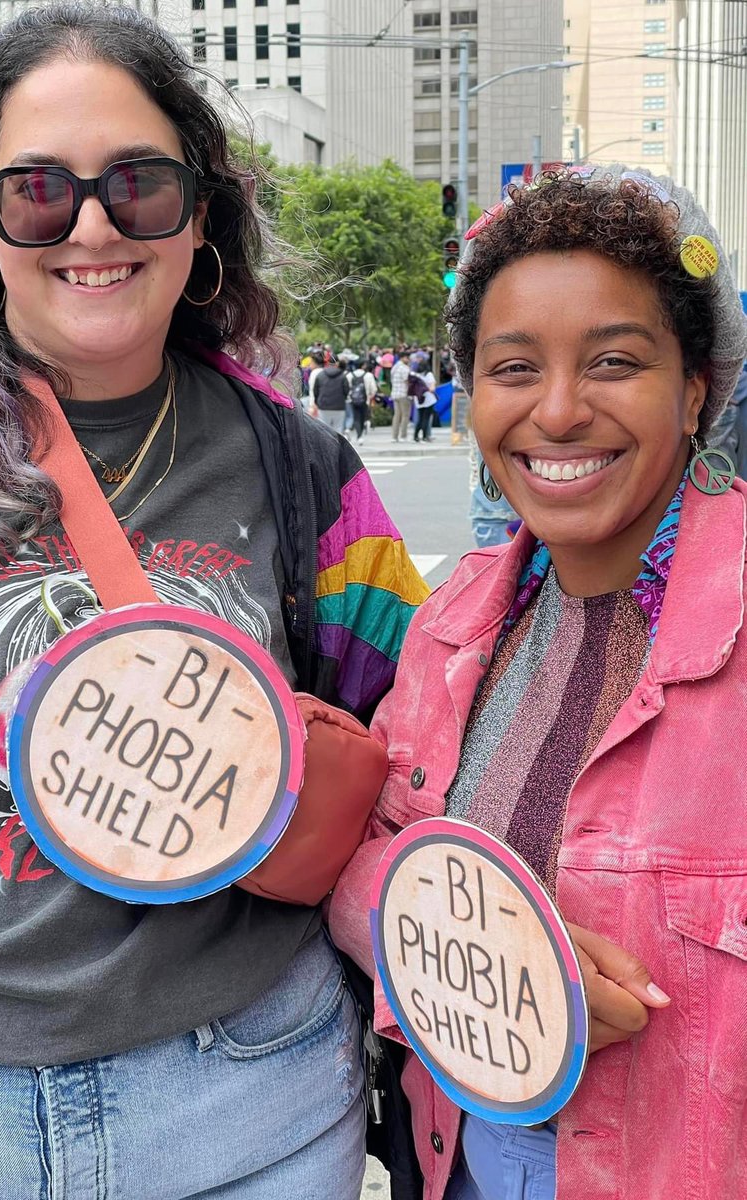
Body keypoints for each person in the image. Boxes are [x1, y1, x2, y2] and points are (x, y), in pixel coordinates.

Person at [0, 6, 428, 1195]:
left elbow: (422, 756)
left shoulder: (310, 472)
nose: (94, 225)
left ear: (199, 214)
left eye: (139, 185)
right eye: (39, 193)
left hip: (252, 1109)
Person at [329, 166, 747, 1200]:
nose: (558, 413)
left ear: (696, 389)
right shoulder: (453, 620)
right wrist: (453, 934)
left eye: (614, 361)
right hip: (456, 1159)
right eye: (514, 368)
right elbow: (367, 853)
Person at [313, 353, 350, 433]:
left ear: (327, 362)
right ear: (337, 363)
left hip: (323, 406)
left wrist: (317, 402)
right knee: (338, 429)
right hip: (339, 406)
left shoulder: (320, 375)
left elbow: (315, 391)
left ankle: (325, 445)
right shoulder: (342, 376)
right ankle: (337, 445)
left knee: (324, 430)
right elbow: (346, 390)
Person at [346, 358, 377, 445]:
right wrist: (370, 396)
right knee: (362, 417)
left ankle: (356, 434)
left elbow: (346, 388)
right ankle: (360, 436)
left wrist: (349, 397)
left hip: (352, 400)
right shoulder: (368, 375)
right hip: (364, 400)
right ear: (363, 365)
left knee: (356, 417)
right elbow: (373, 389)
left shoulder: (349, 375)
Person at [411, 353, 437, 443]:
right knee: (426, 418)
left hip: (418, 400)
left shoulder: (415, 375)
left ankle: (416, 436)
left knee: (420, 418)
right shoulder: (428, 374)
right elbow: (432, 388)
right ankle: (425, 436)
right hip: (429, 399)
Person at [391, 349, 412, 442]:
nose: (409, 360)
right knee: (405, 416)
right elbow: (407, 381)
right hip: (404, 394)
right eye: (408, 358)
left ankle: (394, 436)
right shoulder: (404, 368)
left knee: (396, 416)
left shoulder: (394, 367)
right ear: (403, 358)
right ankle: (403, 436)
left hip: (395, 394)